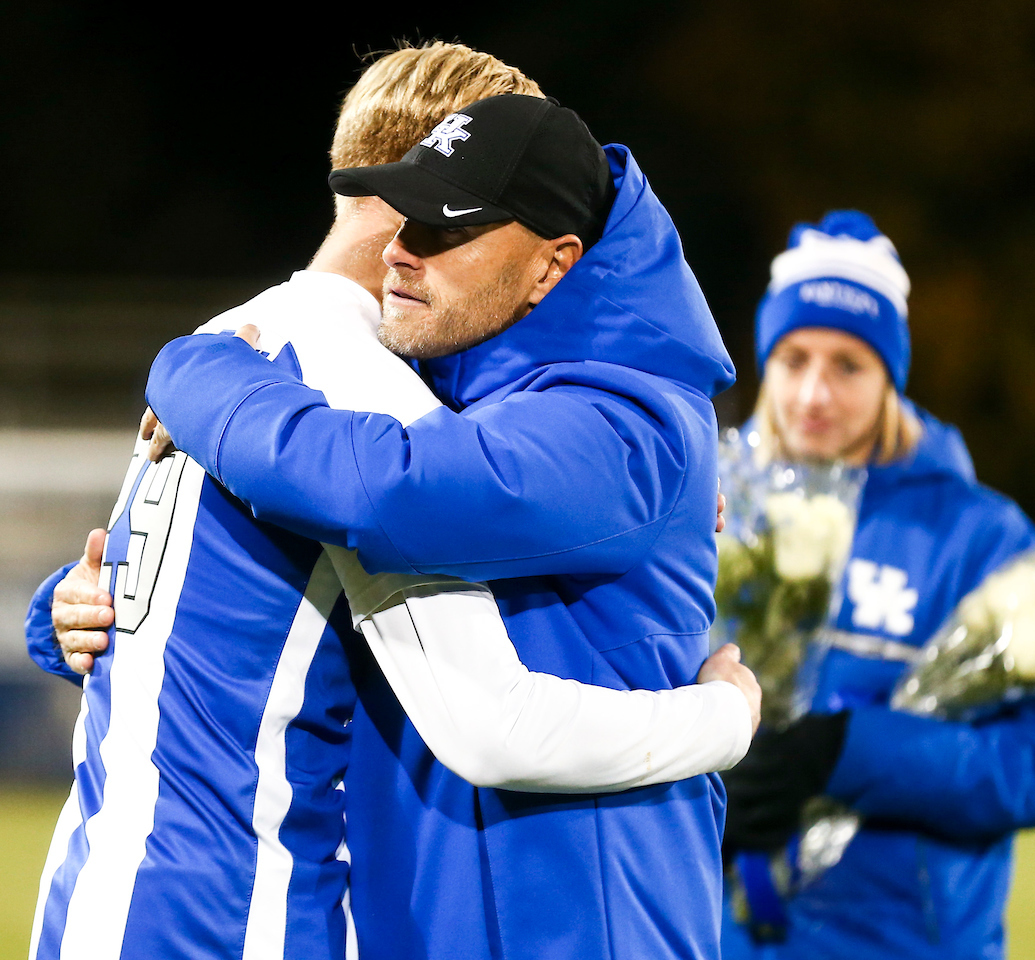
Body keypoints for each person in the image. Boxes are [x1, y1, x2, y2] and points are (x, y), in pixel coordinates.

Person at [24, 46, 758, 960]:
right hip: (242, 917)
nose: (407, 248)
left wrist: (184, 369)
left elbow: (391, 492)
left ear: (550, 260)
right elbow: (488, 718)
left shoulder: (241, 347)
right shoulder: (350, 389)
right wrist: (723, 717)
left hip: (100, 899)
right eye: (412, 209)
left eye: (445, 222)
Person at [717, 210, 1035, 960]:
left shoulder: (980, 534)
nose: (813, 394)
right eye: (794, 360)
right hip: (716, 937)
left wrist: (849, 754)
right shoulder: (712, 508)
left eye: (848, 365)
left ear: (891, 374)